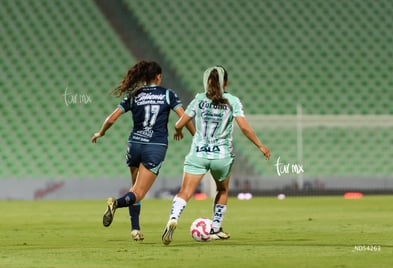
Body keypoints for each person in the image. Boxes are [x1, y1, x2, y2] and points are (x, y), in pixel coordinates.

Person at [162, 66, 271, 245]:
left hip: (198, 153)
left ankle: (173, 218)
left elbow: (179, 122)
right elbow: (244, 127)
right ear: (225, 82)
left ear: (207, 82)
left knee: (185, 192)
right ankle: (216, 228)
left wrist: (179, 130)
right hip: (221, 155)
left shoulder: (199, 99)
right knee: (222, 190)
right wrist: (260, 145)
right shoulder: (232, 101)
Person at [91, 60, 195, 241]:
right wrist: (196, 136)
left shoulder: (134, 95)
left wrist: (101, 132)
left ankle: (135, 229)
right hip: (154, 146)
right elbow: (184, 116)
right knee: (138, 193)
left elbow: (112, 118)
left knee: (134, 189)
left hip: (134, 145)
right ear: (158, 77)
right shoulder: (168, 95)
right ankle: (115, 203)